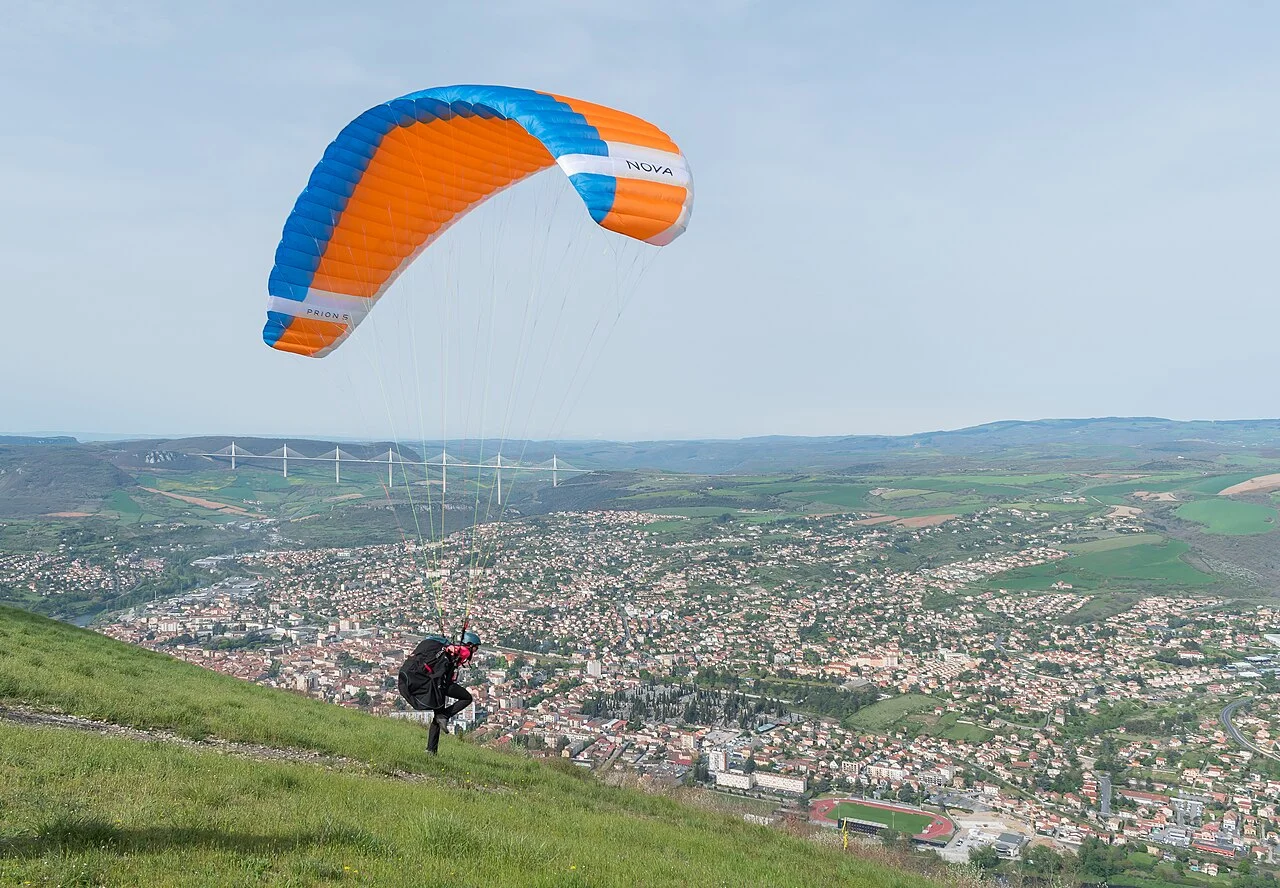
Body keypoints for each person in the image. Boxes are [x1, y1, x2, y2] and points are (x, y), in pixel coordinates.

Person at [397, 630, 481, 754]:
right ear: (469, 644)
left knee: (437, 718)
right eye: (475, 648)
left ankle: (431, 750)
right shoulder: (460, 651)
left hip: (435, 683)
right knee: (466, 698)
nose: (475, 652)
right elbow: (460, 656)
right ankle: (444, 717)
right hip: (439, 685)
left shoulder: (447, 649)